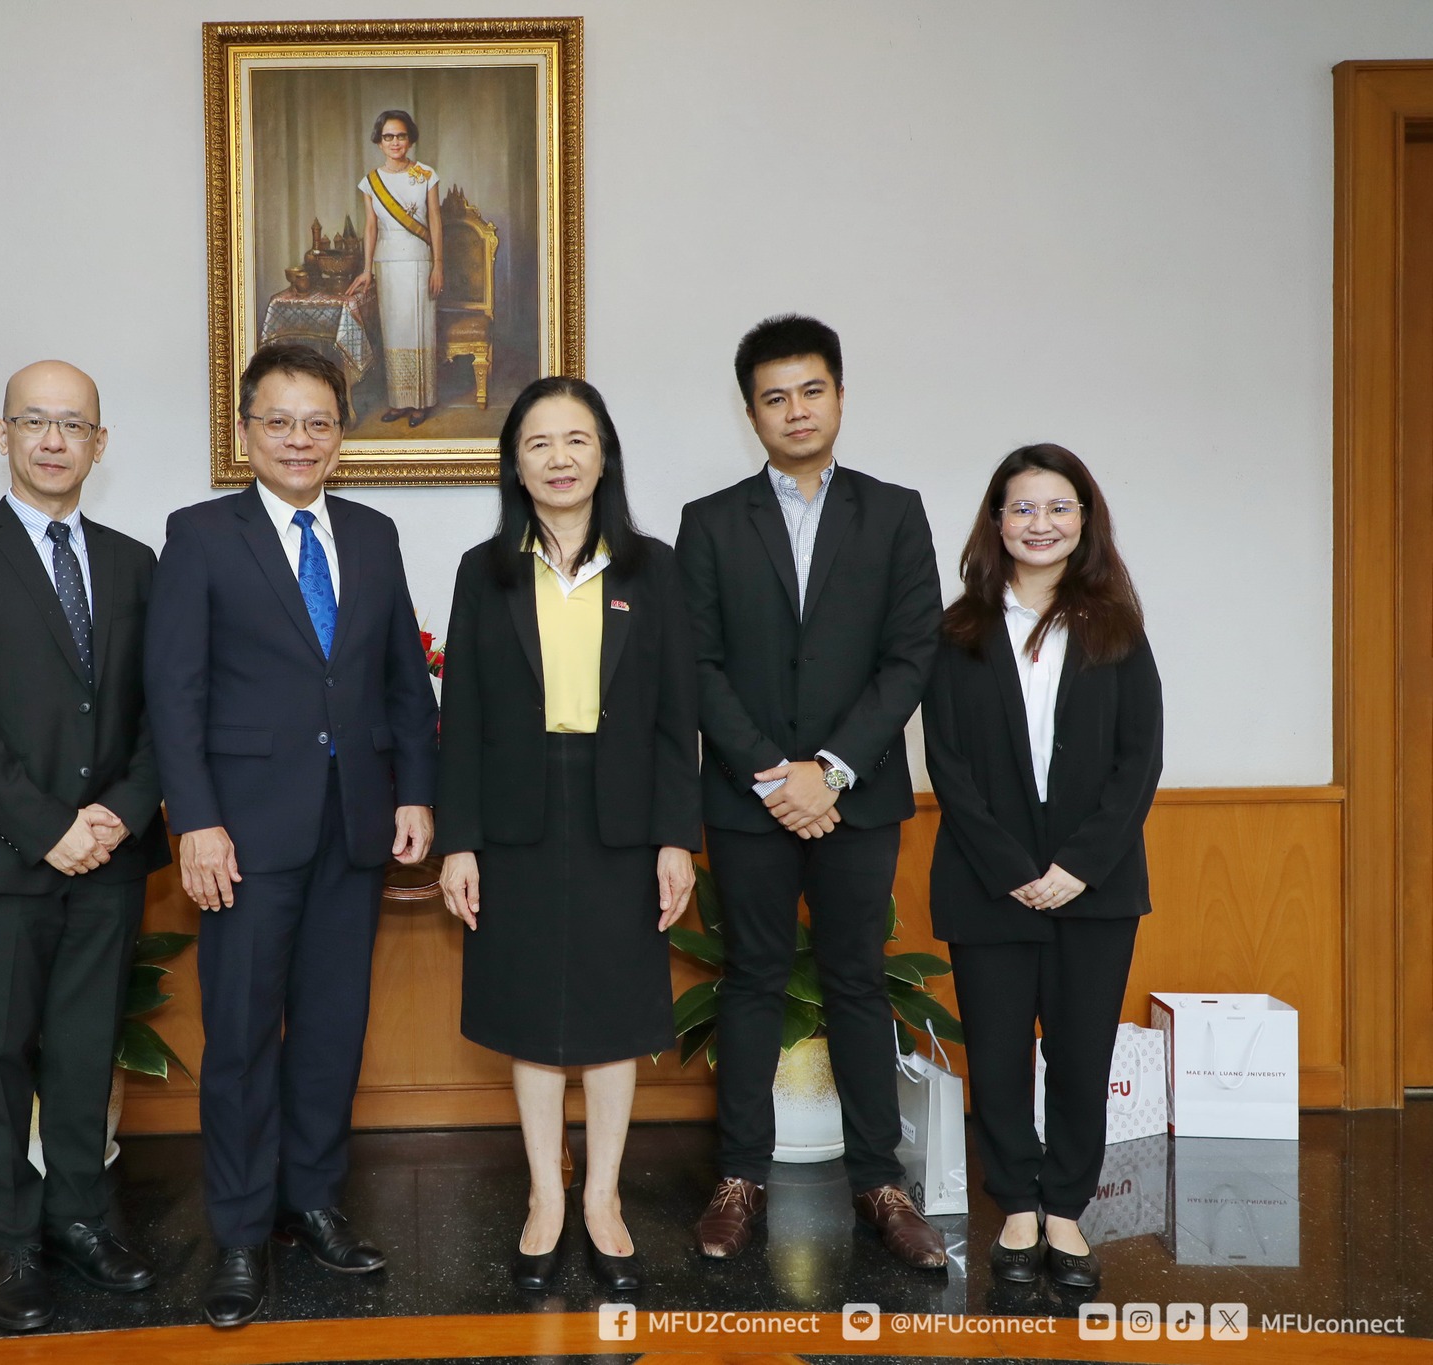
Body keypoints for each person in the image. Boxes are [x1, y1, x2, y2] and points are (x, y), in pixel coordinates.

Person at [145, 340, 440, 1328]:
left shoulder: (372, 532)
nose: (299, 438)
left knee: (328, 1030)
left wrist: (413, 793)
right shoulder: (199, 535)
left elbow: (402, 676)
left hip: (352, 823)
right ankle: (235, 1230)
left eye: (318, 421)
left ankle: (310, 1202)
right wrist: (194, 820)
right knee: (237, 1034)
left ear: (340, 433)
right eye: (278, 420)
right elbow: (173, 693)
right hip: (243, 833)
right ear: (245, 432)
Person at [676, 314, 947, 1270]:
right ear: (749, 409)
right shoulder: (709, 521)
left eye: (811, 390)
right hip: (748, 798)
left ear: (839, 394)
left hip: (857, 796)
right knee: (749, 979)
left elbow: (911, 653)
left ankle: (880, 1181)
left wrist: (827, 770)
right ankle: (740, 1177)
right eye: (774, 396)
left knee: (858, 983)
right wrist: (772, 774)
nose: (795, 410)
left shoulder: (895, 511)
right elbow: (699, 664)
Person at [0, 361, 167, 1333]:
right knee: (0, 1058)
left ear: (99, 444)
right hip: (3, 859)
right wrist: (47, 827)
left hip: (108, 855)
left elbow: (157, 712)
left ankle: (79, 1220)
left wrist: (118, 815)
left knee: (83, 1051)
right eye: (35, 421)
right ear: (2, 433)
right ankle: (8, 1241)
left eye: (74, 425)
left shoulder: (136, 563)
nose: (54, 439)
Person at [435, 377, 700, 1294]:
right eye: (539, 442)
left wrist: (676, 837)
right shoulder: (485, 567)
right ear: (515, 461)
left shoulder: (653, 568)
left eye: (576, 440)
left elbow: (677, 718)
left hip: (622, 812)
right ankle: (547, 1195)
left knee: (617, 1010)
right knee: (532, 1014)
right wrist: (458, 841)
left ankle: (605, 1199)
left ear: (604, 455)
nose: (558, 457)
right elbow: (459, 713)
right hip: (515, 814)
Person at [924, 444, 1161, 1293]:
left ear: (1084, 520)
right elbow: (946, 762)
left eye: (1058, 507)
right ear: (997, 521)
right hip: (989, 884)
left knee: (1079, 1052)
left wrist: (1079, 867)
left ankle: (1065, 1207)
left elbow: (1140, 760)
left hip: (1095, 891)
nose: (1040, 523)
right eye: (1022, 508)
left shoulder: (1118, 629)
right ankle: (1015, 1204)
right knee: (994, 1053)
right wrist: (1013, 867)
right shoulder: (959, 632)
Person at [349, 108, 445, 427]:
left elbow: (434, 222)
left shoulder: (426, 174)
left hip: (420, 261)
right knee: (394, 331)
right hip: (386, 264)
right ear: (379, 141)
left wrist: (438, 265)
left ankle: (421, 402)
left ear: (410, 139)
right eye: (388, 136)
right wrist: (366, 269)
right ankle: (399, 401)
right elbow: (371, 228)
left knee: (419, 330)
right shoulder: (370, 182)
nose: (395, 142)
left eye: (401, 135)